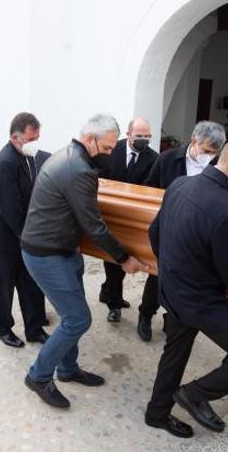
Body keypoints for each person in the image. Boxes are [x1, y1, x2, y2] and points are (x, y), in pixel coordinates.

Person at [144, 133, 228, 438]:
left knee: (175, 353)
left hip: (172, 290)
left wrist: (173, 269)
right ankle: (195, 393)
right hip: (201, 303)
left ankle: (157, 413)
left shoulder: (180, 184)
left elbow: (156, 234)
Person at [21, 113, 150, 409]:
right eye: (106, 148)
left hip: (62, 250)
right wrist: (124, 258)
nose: (109, 154)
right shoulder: (78, 168)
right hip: (46, 254)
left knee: (72, 316)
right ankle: (38, 376)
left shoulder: (65, 156)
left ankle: (67, 369)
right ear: (90, 139)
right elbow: (95, 226)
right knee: (79, 319)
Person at [138, 121, 226, 341]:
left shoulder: (217, 165)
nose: (210, 156)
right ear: (194, 141)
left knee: (184, 282)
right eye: (206, 151)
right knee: (157, 275)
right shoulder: (167, 159)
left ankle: (173, 320)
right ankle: (145, 315)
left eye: (214, 153)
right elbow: (150, 189)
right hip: (168, 226)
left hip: (196, 232)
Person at [0, 112, 51, 348]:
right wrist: (30, 239)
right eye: (32, 139)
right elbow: (11, 210)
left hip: (22, 236)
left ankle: (34, 328)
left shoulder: (25, 156)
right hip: (2, 240)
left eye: (37, 138)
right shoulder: (5, 163)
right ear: (15, 137)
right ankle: (2, 328)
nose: (35, 143)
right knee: (2, 288)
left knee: (30, 285)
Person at [96, 116, 159, 324]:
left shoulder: (153, 158)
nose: (143, 139)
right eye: (139, 136)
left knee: (123, 262)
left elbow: (150, 188)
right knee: (113, 263)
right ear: (128, 134)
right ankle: (114, 305)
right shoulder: (112, 149)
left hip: (133, 220)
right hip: (110, 216)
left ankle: (108, 292)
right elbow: (99, 175)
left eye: (147, 136)